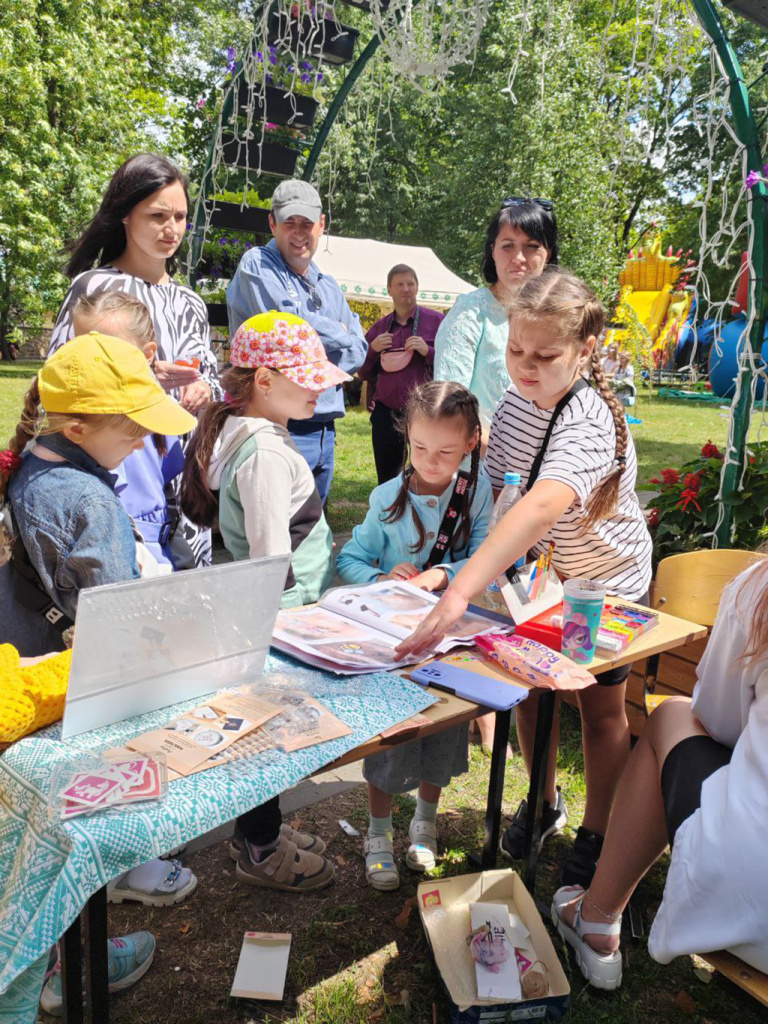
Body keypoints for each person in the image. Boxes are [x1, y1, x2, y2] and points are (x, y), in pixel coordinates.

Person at [395, 269, 653, 889]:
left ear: (585, 350)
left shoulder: (589, 417)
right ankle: (542, 803)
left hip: (604, 588)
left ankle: (595, 830)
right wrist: (464, 566)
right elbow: (505, 495)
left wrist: (459, 592)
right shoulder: (515, 403)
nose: (524, 367)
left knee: (598, 710)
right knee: (530, 694)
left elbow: (543, 503)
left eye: (544, 355)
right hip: (541, 584)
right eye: (514, 350)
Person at [0, 336, 199, 1013]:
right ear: (79, 427)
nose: (146, 438)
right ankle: (65, 970)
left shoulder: (28, 465)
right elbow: (119, 620)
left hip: (26, 675)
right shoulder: (91, 502)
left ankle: (51, 959)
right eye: (133, 424)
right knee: (76, 834)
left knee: (33, 846)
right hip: (68, 694)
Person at [181, 310, 348, 891]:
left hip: (258, 614)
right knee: (270, 732)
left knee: (266, 727)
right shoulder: (269, 455)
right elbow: (270, 558)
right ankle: (262, 846)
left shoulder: (238, 432)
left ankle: (261, 830)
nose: (321, 387)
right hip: (280, 617)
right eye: (308, 377)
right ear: (265, 381)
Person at [551, 560, 768, 989]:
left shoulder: (757, 591)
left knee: (673, 714)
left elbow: (718, 720)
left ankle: (597, 916)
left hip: (751, 909)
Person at [336, 381, 493, 890]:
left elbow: (491, 558)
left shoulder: (479, 491)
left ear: (470, 443)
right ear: (405, 435)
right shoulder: (387, 497)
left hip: (449, 645)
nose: (431, 460)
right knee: (389, 742)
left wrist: (444, 574)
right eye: (420, 447)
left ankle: (423, 825)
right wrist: (381, 580)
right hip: (393, 648)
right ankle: (378, 833)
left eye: (446, 451)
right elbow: (349, 560)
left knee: (442, 734)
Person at [49, 152, 221, 567]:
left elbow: (214, 376)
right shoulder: (94, 287)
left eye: (180, 217)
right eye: (158, 215)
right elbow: (59, 377)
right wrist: (142, 377)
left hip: (184, 477)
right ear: (126, 215)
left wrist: (203, 388)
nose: (171, 228)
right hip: (118, 472)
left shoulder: (191, 301)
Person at [226, 179, 368, 503]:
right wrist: (340, 333)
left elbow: (359, 349)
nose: (299, 232)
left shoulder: (327, 284)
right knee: (276, 536)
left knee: (311, 538)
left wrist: (313, 345)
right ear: (272, 223)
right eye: (290, 222)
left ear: (322, 225)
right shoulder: (257, 265)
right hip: (279, 426)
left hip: (325, 430)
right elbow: (287, 337)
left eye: (307, 223)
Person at [71, 291, 190, 568]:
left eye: (110, 351)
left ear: (148, 354)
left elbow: (168, 485)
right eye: (82, 346)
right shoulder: (78, 418)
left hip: (154, 557)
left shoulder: (158, 410)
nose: (94, 361)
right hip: (107, 554)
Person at [434, 197, 558, 440]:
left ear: (548, 253)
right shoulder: (471, 311)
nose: (519, 258)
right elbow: (449, 405)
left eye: (532, 246)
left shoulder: (560, 316)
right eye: (507, 245)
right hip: (483, 465)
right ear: (493, 251)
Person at [358, 264, 443, 484]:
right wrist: (372, 350)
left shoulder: (437, 323)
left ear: (417, 288)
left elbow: (451, 363)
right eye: (400, 284)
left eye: (410, 284)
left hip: (425, 412)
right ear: (389, 289)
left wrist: (428, 351)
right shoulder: (379, 328)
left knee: (425, 473)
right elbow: (363, 372)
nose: (405, 288)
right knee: (387, 477)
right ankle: (390, 514)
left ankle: (421, 514)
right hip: (386, 413)